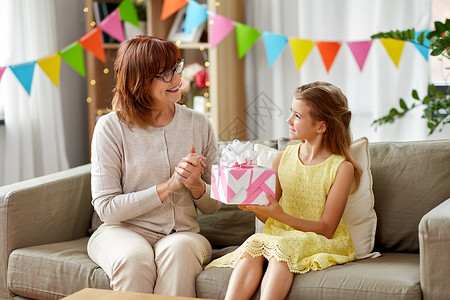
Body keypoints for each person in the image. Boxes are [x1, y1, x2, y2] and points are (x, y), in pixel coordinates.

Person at [87, 36, 221, 297]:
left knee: (180, 251)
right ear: (139, 81)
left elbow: (213, 205)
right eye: (166, 74)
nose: (177, 80)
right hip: (121, 231)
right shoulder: (111, 128)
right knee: (134, 259)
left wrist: (196, 185)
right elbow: (107, 209)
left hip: (182, 234)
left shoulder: (200, 124)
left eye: (177, 68)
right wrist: (169, 186)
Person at [206, 81, 362, 300]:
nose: (289, 120)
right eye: (291, 113)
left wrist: (279, 215)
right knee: (253, 244)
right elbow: (271, 210)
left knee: (281, 252)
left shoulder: (341, 168)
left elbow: (327, 229)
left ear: (321, 126)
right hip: (279, 234)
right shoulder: (282, 158)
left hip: (318, 238)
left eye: (297, 116)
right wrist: (254, 206)